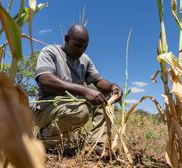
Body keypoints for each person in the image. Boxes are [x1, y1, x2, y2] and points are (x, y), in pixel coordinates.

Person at [32, 24, 123, 155]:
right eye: (77, 45)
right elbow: (45, 79)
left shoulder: (85, 60)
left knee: (107, 97)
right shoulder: (50, 51)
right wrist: (85, 91)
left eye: (85, 47)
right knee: (81, 111)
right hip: (45, 108)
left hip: (72, 106)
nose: (81, 50)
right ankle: (43, 141)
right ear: (67, 38)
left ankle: (95, 143)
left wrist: (112, 86)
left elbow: (98, 81)